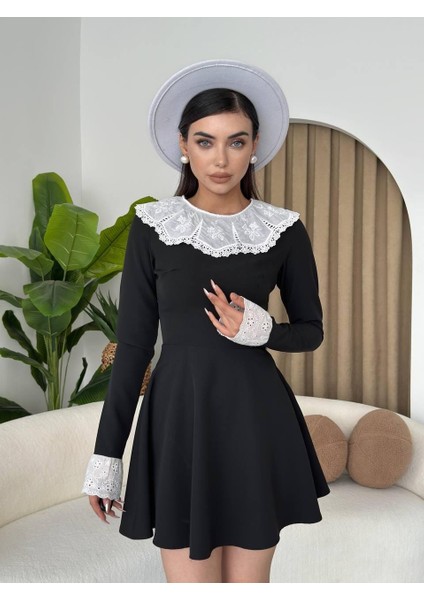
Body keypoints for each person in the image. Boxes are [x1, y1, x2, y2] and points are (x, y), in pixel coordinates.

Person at [82, 59, 330, 583]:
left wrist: (261, 330)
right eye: (205, 141)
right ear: (183, 145)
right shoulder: (152, 226)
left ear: (255, 146)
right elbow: (133, 347)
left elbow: (311, 330)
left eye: (236, 142)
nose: (220, 159)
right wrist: (107, 457)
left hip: (256, 420)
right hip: (178, 417)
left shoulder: (283, 230)